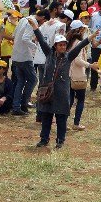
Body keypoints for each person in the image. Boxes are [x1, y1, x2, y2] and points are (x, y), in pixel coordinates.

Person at [30, 16, 91, 148]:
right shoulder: (49, 54)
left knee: (61, 118)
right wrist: (35, 27)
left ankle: (60, 140)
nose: (62, 47)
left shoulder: (69, 57)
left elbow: (80, 45)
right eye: (60, 45)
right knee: (46, 117)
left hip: (62, 92)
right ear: (55, 46)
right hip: (48, 91)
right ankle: (44, 139)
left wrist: (91, 38)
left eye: (64, 44)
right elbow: (41, 41)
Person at [9, 10, 37, 116]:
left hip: (16, 55)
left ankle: (16, 106)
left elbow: (14, 35)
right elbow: (25, 38)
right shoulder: (32, 22)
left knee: (20, 81)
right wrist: (37, 47)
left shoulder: (23, 20)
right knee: (33, 80)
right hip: (25, 57)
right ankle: (23, 104)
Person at [67, 22, 91, 131]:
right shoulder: (79, 43)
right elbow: (78, 60)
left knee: (70, 100)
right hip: (78, 75)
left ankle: (64, 122)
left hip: (69, 74)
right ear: (80, 30)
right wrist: (90, 65)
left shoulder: (69, 41)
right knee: (80, 100)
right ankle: (76, 123)